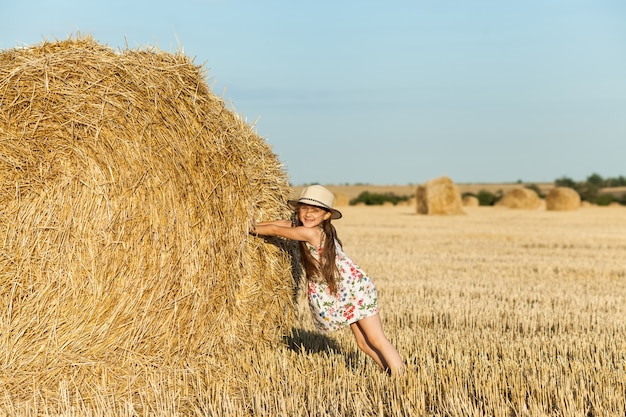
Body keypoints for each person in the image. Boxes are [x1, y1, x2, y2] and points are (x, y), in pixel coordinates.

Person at [251, 185, 404, 375]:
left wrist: (244, 229)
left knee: (376, 339)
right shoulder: (310, 228)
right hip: (346, 291)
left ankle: (403, 378)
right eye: (304, 208)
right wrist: (250, 222)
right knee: (363, 344)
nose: (308, 214)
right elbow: (282, 223)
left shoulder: (312, 233)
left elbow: (274, 229)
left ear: (326, 216)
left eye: (315, 210)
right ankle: (391, 374)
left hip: (356, 291)